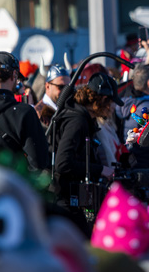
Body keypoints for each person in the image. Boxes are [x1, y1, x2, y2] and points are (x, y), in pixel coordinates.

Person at [52, 73, 121, 230]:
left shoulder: (81, 117)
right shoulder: (77, 121)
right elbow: (62, 164)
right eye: (111, 102)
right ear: (103, 100)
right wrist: (101, 170)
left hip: (70, 197)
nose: (113, 108)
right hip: (65, 198)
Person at [35, 63, 71, 127]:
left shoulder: (69, 108)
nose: (65, 91)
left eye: (67, 87)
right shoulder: (38, 114)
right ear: (47, 86)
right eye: (60, 87)